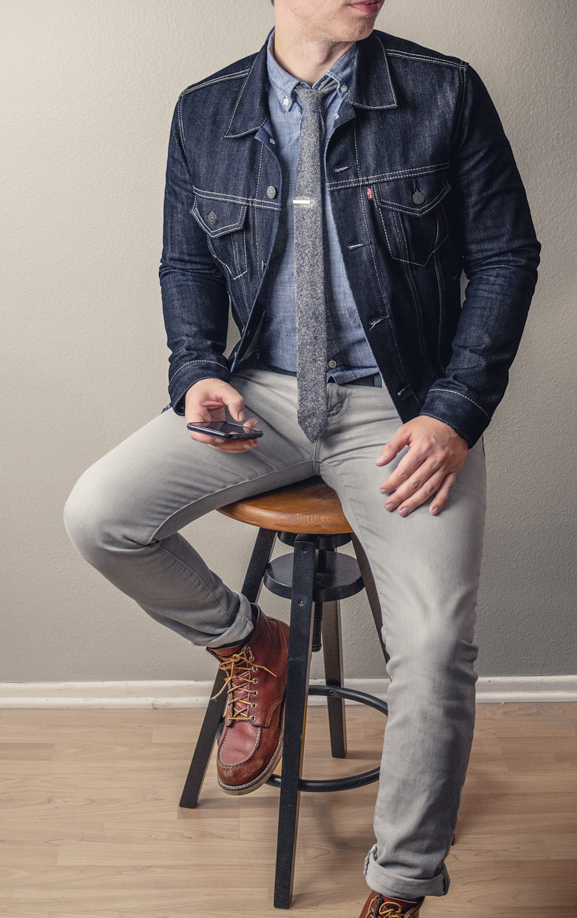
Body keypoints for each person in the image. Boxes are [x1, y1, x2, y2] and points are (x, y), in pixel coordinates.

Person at [63, 0, 540, 914]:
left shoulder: (444, 91)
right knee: (100, 515)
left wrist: (454, 412)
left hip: (401, 407)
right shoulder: (207, 109)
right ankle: (250, 643)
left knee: (435, 646)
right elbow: (188, 265)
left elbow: (508, 256)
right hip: (265, 395)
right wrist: (199, 371)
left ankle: (398, 886)